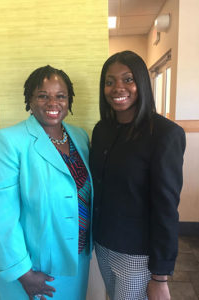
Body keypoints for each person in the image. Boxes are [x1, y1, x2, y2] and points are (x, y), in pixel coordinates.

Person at [0, 65, 93, 300]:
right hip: (35, 268)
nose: (53, 103)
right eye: (43, 96)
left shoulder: (80, 136)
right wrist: (23, 273)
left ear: (69, 100)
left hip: (77, 259)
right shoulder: (9, 141)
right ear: (29, 100)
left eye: (60, 96)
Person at [90, 50, 186, 300]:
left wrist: (160, 276)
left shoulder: (165, 134)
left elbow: (166, 207)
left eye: (128, 79)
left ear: (142, 82)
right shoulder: (102, 130)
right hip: (102, 244)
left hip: (137, 254)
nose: (117, 87)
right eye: (109, 82)